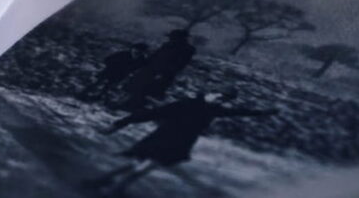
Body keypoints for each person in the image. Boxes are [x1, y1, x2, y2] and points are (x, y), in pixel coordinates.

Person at [87, 88, 277, 195]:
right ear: (208, 93)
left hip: (182, 141)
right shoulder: (186, 103)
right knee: (148, 164)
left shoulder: (215, 109)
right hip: (165, 137)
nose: (220, 99)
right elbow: (153, 113)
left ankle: (102, 181)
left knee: (141, 163)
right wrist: (121, 123)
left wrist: (262, 113)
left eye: (224, 98)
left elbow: (238, 112)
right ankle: (116, 189)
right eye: (218, 95)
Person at [121, 29, 196, 108]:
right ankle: (127, 103)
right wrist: (144, 64)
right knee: (136, 86)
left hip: (164, 74)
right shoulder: (167, 45)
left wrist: (165, 73)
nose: (170, 38)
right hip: (150, 69)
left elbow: (179, 64)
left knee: (148, 90)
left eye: (173, 37)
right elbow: (155, 56)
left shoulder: (187, 50)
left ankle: (134, 106)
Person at [83, 43, 149, 101]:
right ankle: (84, 92)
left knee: (108, 86)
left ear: (143, 52)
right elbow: (108, 59)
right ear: (132, 48)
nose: (137, 51)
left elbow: (140, 68)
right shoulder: (123, 54)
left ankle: (99, 96)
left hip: (120, 75)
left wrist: (130, 73)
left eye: (140, 51)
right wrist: (111, 66)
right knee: (98, 82)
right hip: (110, 71)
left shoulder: (142, 60)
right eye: (136, 49)